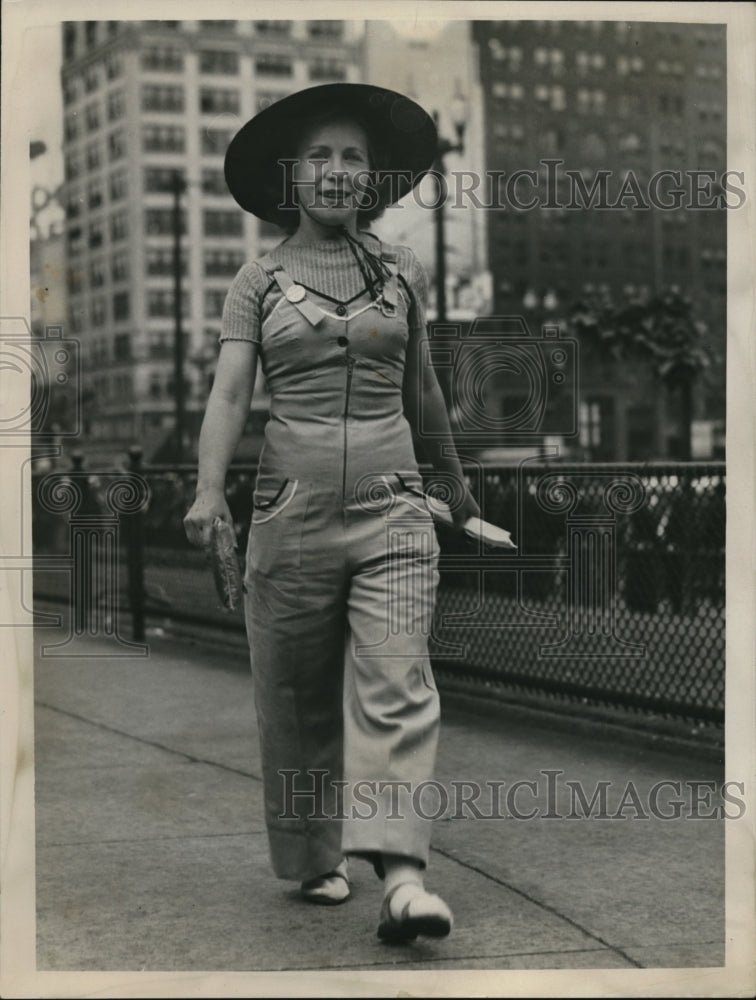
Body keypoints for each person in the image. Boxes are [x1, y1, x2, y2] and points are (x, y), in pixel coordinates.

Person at [183, 83, 481, 943]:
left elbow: (424, 390)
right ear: (293, 176)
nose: (337, 171)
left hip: (394, 513)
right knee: (296, 695)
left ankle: (404, 880)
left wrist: (455, 491)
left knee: (398, 681)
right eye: (320, 155)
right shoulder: (257, 279)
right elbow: (231, 392)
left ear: (371, 179)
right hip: (292, 513)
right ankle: (315, 855)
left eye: (353, 157)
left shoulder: (400, 274)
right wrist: (210, 492)